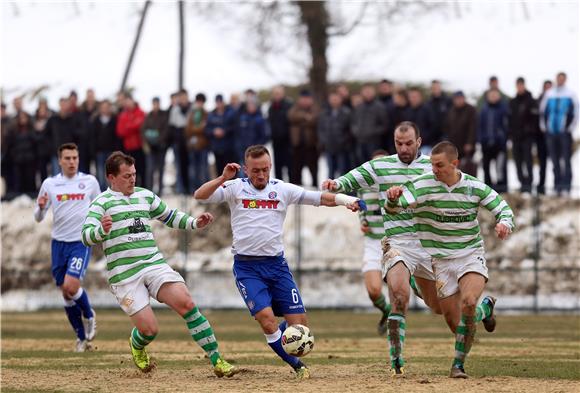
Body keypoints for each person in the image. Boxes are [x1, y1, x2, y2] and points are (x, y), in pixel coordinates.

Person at [194, 145, 365, 379]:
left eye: (265, 169)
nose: (261, 175)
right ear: (246, 169)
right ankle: (297, 367)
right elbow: (200, 195)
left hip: (277, 267)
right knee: (267, 321)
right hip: (247, 268)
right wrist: (223, 177)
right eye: (255, 171)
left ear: (270, 167)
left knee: (300, 328)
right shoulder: (235, 188)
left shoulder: (281, 189)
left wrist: (347, 200)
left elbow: (319, 198)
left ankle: (281, 340)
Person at [81, 151, 237, 377]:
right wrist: (100, 230)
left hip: (152, 264)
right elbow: (85, 236)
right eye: (126, 176)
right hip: (125, 275)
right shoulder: (101, 203)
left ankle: (217, 360)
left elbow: (170, 216)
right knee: (149, 329)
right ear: (111, 178)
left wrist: (195, 222)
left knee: (187, 304)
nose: (132, 179)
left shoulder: (145, 195)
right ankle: (137, 344)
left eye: (134, 174)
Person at [385, 140, 514, 379]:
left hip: (469, 255)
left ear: (455, 164)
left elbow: (503, 208)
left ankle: (458, 366)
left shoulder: (474, 187)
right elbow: (397, 207)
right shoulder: (423, 184)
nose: (434, 169)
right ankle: (485, 310)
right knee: (457, 324)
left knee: (467, 302)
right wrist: (393, 199)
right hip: (441, 262)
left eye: (439, 165)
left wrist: (505, 222)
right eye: (432, 164)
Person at [322, 121, 442, 376]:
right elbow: (354, 177)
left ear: (419, 142)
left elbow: (459, 186)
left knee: (440, 307)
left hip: (427, 245)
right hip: (396, 243)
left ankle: (482, 308)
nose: (404, 148)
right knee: (398, 296)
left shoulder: (433, 165)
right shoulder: (382, 166)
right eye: (399, 144)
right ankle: (396, 360)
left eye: (409, 143)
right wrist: (336, 184)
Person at [34, 143, 100, 352]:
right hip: (58, 244)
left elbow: (100, 207)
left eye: (75, 158)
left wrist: (100, 230)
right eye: (68, 158)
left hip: (80, 242)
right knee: (65, 293)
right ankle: (81, 338)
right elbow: (38, 217)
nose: (72, 162)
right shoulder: (50, 184)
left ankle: (89, 315)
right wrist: (42, 206)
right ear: (60, 160)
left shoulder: (89, 181)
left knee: (71, 286)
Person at [539, 72, 578, 196]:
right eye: (558, 78)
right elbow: (542, 111)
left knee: (566, 160)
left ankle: (566, 187)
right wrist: (544, 126)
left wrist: (571, 127)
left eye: (562, 79)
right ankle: (557, 186)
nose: (560, 80)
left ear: (565, 79)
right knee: (554, 161)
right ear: (556, 79)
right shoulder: (549, 94)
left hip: (564, 133)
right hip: (551, 133)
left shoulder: (571, 94)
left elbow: (576, 111)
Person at [509, 77, 538, 193]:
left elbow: (535, 119)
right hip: (516, 138)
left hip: (527, 137)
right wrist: (511, 134)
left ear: (524, 85)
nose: (520, 87)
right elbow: (509, 120)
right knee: (518, 162)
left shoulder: (531, 101)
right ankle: (522, 183)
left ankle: (529, 185)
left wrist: (529, 131)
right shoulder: (512, 102)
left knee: (528, 161)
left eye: (521, 85)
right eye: (518, 85)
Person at [478, 89, 509, 193]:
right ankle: (488, 190)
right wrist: (481, 139)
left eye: (495, 95)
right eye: (491, 95)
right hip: (486, 143)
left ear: (499, 96)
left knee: (500, 167)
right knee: (486, 167)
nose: (493, 97)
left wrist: (503, 138)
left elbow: (507, 126)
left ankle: (502, 189)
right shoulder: (484, 110)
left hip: (500, 144)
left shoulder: (503, 109)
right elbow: (480, 126)